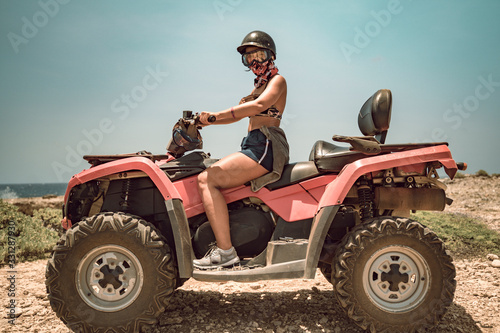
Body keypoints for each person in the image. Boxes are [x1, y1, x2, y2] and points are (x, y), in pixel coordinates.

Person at [193, 31, 289, 269]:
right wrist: (203, 121)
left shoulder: (277, 82)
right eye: (249, 58)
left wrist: (214, 116)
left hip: (266, 145)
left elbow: (258, 107)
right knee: (207, 168)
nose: (254, 62)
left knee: (207, 179)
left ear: (271, 55)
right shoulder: (257, 87)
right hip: (254, 143)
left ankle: (225, 252)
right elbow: (236, 116)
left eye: (259, 55)